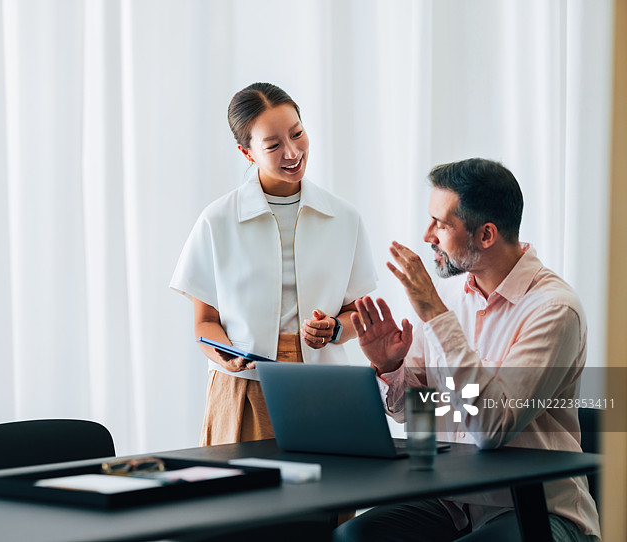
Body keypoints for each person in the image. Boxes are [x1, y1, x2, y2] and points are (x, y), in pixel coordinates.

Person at [334, 158, 600, 542]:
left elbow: (492, 429)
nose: (428, 236)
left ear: (486, 234)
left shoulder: (554, 309)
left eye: (441, 224)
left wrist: (437, 317)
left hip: (537, 508)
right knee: (354, 536)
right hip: (453, 503)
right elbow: (415, 412)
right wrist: (389, 366)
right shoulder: (445, 297)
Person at [170, 82, 377, 445]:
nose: (293, 151)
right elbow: (204, 322)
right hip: (244, 388)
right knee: (245, 499)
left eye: (297, 134)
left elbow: (355, 313)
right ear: (246, 152)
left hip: (324, 386)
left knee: (330, 497)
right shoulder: (217, 221)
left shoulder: (344, 218)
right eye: (273, 145)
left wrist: (334, 328)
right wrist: (226, 357)